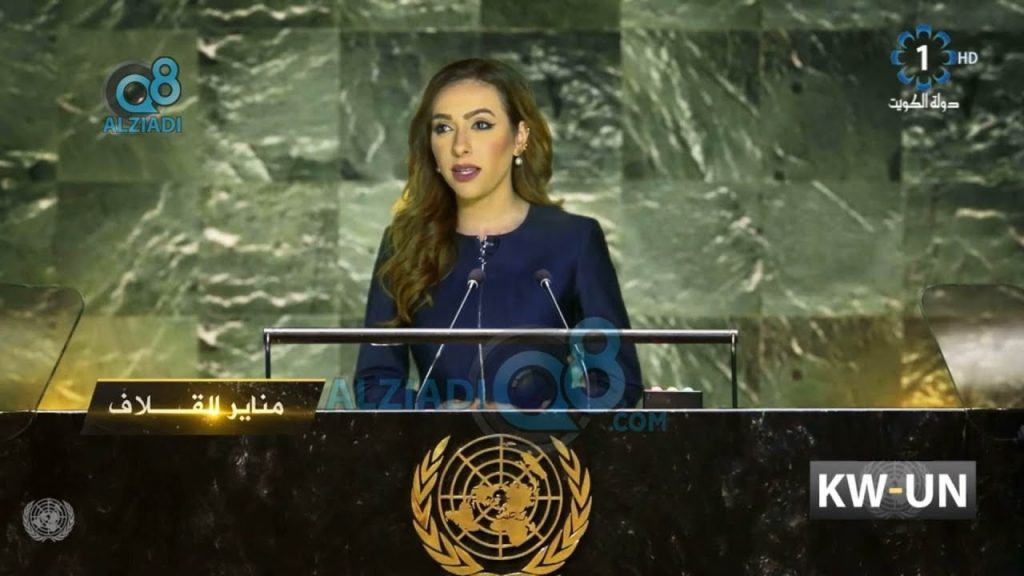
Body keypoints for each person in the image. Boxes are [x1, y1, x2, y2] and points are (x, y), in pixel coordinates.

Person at [354, 58, 642, 410]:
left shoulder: (575, 240)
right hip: (437, 444)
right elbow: (375, 385)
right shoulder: (403, 244)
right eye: (443, 128)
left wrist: (530, 418)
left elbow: (617, 384)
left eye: (481, 125)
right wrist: (441, 414)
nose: (460, 146)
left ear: (519, 138)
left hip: (547, 444)